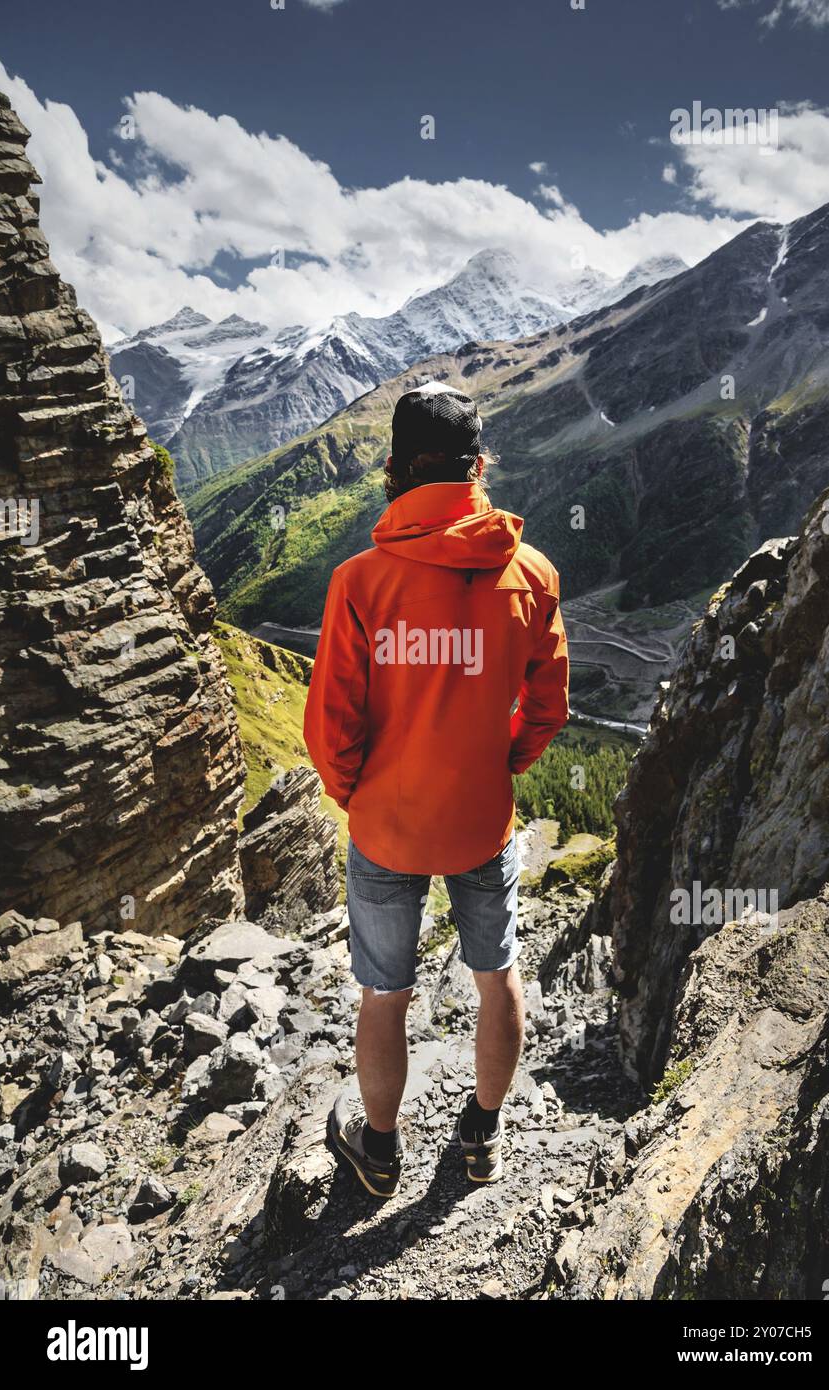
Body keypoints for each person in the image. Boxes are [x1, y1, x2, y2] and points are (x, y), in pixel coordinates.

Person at [304, 380, 569, 1197]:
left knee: (384, 993)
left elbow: (329, 728)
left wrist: (363, 793)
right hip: (480, 822)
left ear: (391, 471)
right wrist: (500, 767)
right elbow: (550, 706)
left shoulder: (359, 581)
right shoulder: (532, 574)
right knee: (498, 976)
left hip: (388, 824)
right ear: (477, 466)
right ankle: (480, 1139)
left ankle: (378, 1150)